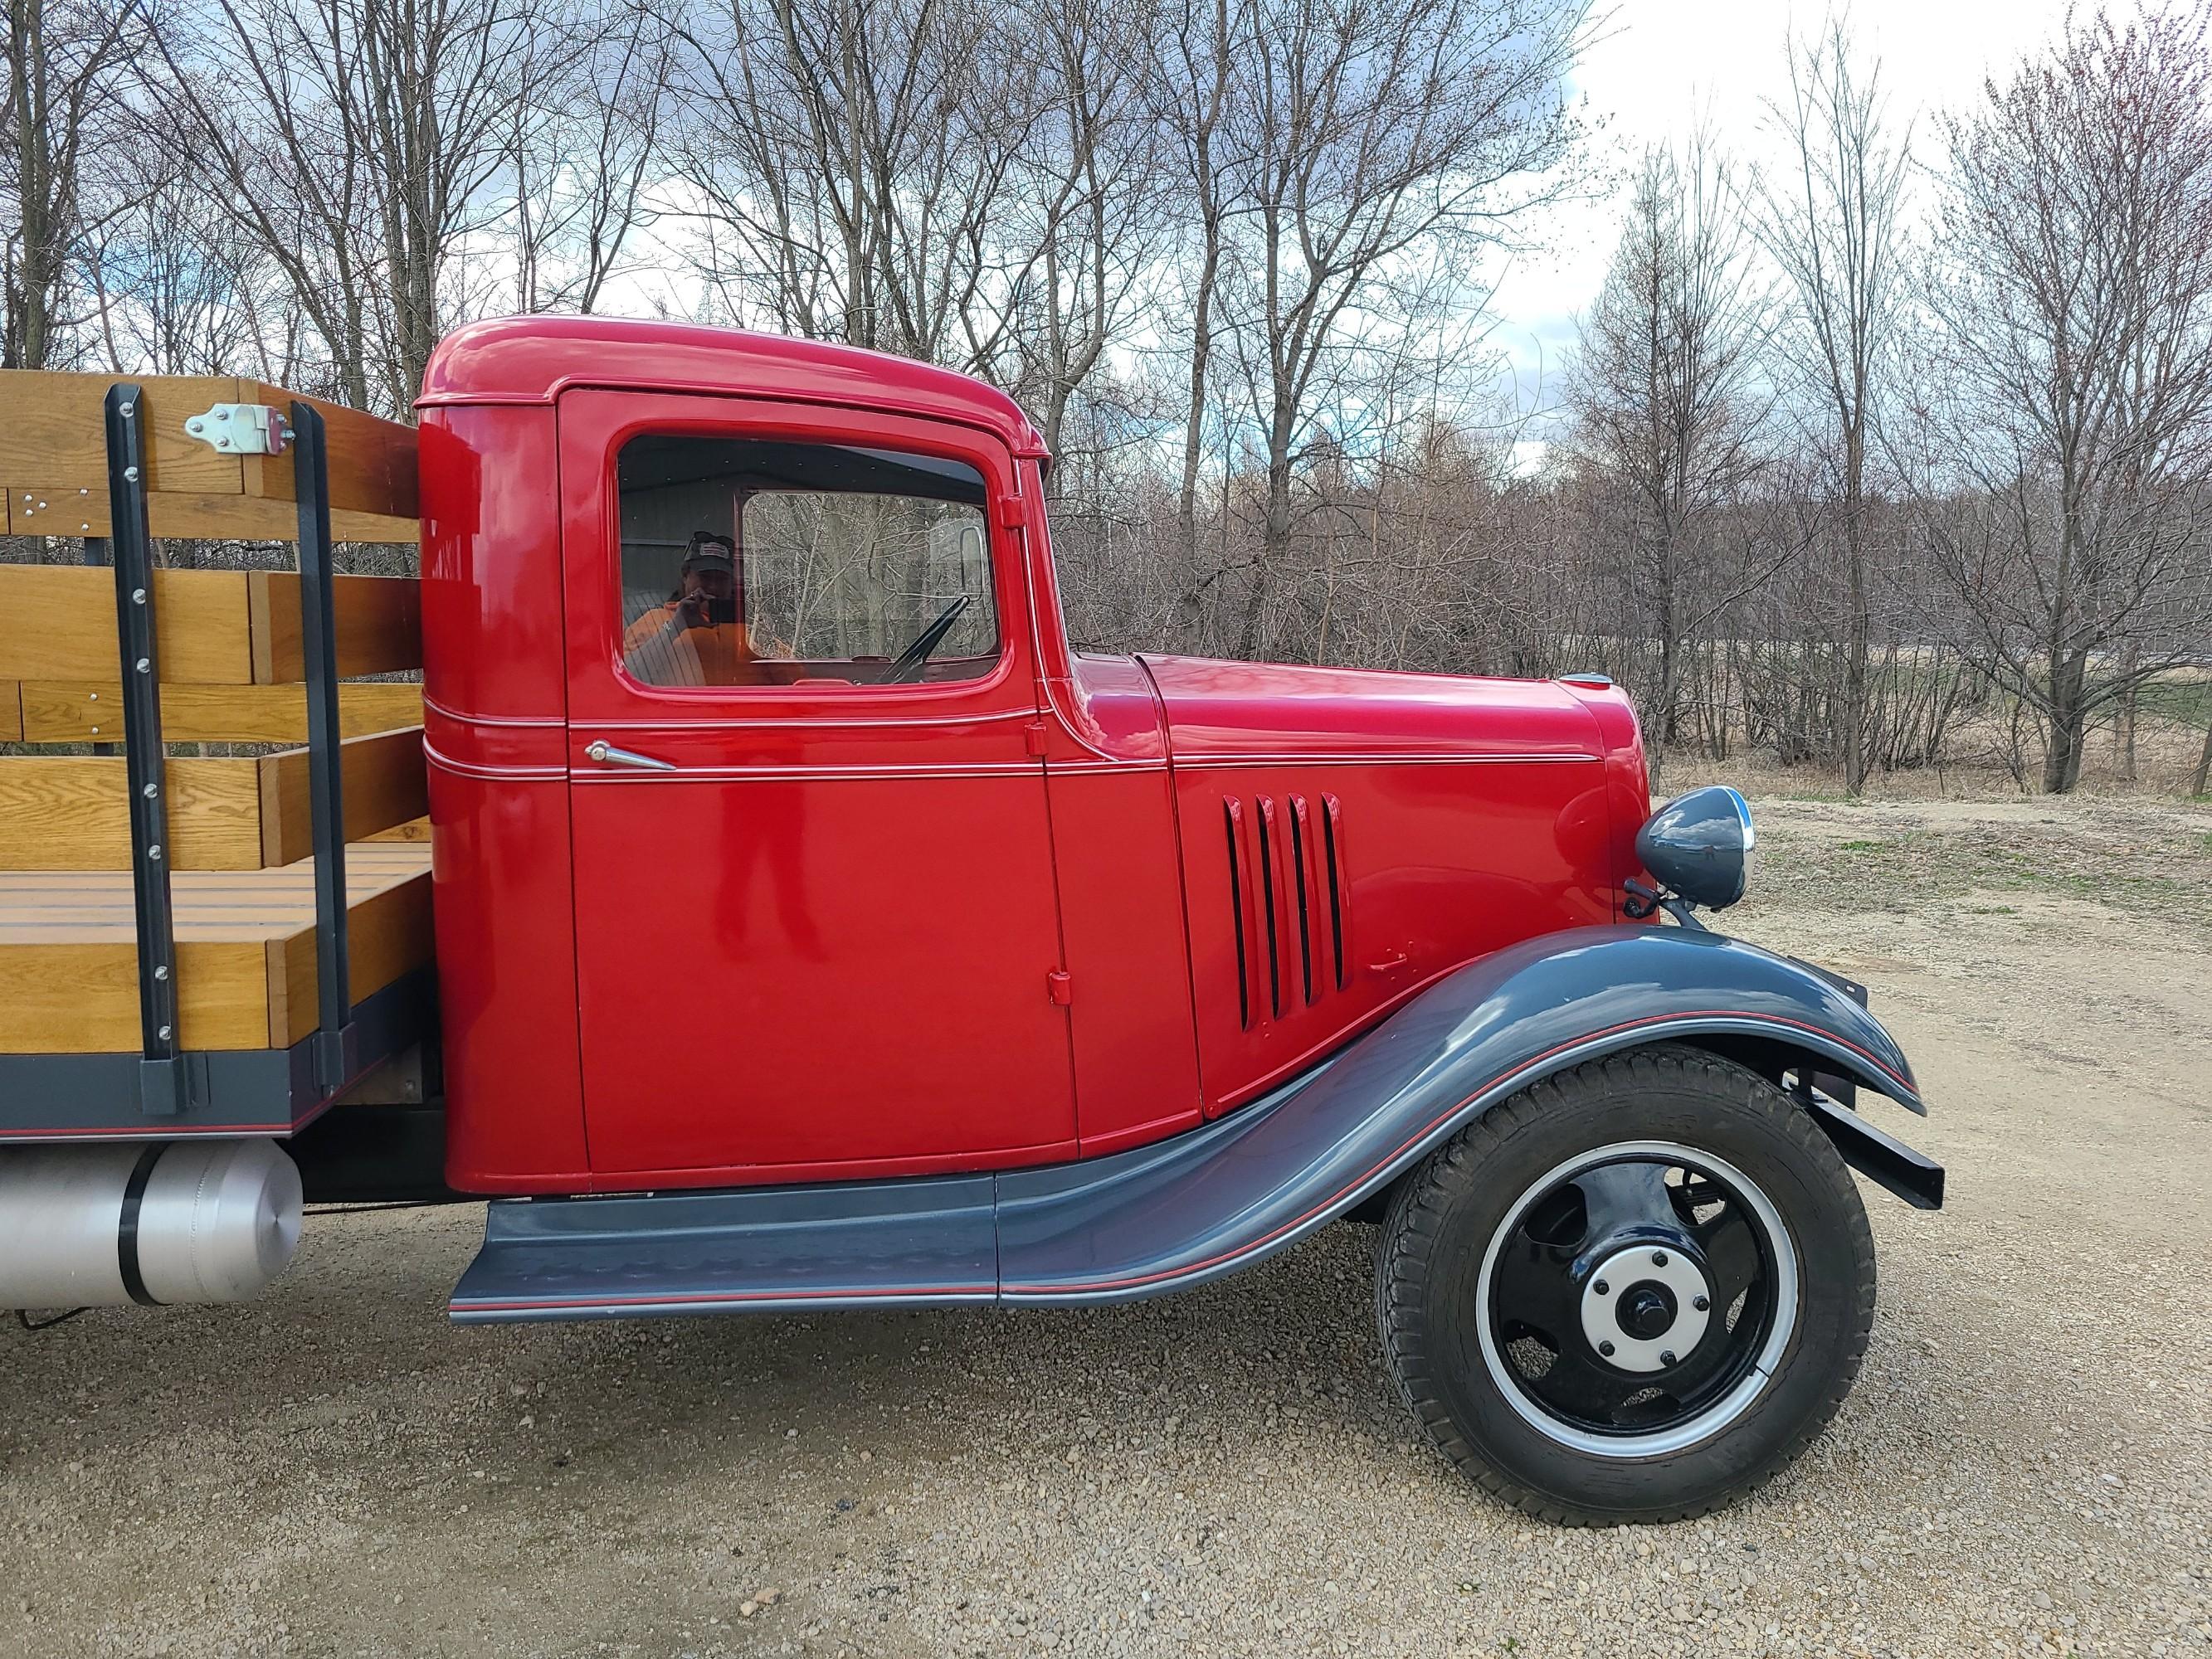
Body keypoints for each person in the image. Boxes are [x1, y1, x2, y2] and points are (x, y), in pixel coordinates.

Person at [622, 531, 772, 687]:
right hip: (681, 710)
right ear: (685, 576)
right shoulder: (654, 620)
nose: (713, 586)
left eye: (721, 579)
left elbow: (792, 679)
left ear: (731, 582)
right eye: (705, 577)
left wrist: (765, 627)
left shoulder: (750, 627)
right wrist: (675, 626)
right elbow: (628, 678)